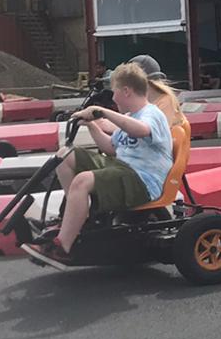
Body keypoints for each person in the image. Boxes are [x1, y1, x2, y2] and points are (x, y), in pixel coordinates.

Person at [24, 62, 174, 270]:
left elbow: (141, 130)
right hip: (122, 167)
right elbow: (110, 148)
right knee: (65, 155)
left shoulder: (151, 114)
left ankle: (63, 247)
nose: (113, 99)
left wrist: (103, 112)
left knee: (82, 180)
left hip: (142, 180)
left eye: (115, 92)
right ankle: (78, 214)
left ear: (126, 91)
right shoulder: (130, 116)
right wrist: (92, 125)